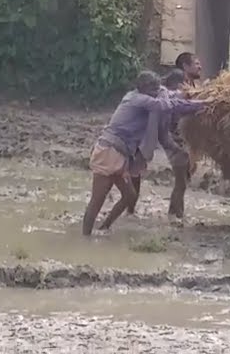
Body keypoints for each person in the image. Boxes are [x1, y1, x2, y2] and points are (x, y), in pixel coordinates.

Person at [81, 70, 205, 235]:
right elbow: (168, 105)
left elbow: (172, 97)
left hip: (120, 154)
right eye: (154, 88)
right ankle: (85, 237)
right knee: (97, 201)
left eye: (158, 87)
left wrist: (195, 95)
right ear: (144, 88)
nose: (157, 91)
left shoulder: (146, 96)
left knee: (130, 196)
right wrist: (203, 104)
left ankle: (104, 229)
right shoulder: (137, 99)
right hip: (108, 152)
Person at [125, 69, 195, 217]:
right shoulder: (143, 99)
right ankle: (129, 211)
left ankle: (175, 214)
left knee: (181, 179)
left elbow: (179, 102)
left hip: (168, 137)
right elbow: (175, 104)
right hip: (145, 138)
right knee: (135, 176)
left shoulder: (164, 94)